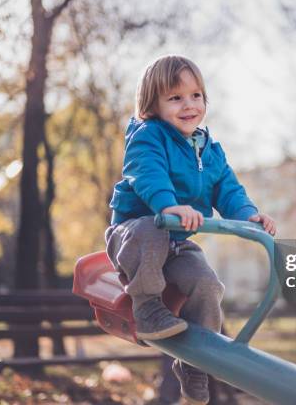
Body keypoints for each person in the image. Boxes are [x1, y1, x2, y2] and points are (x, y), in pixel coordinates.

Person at [105, 55, 276, 404]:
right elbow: (147, 171)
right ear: (152, 105)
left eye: (196, 95)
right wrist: (167, 205)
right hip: (134, 235)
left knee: (208, 285)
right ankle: (148, 307)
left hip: (175, 244)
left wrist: (249, 215)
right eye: (175, 97)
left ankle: (196, 361)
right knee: (152, 230)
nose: (189, 105)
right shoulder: (148, 135)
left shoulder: (210, 150)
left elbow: (227, 188)